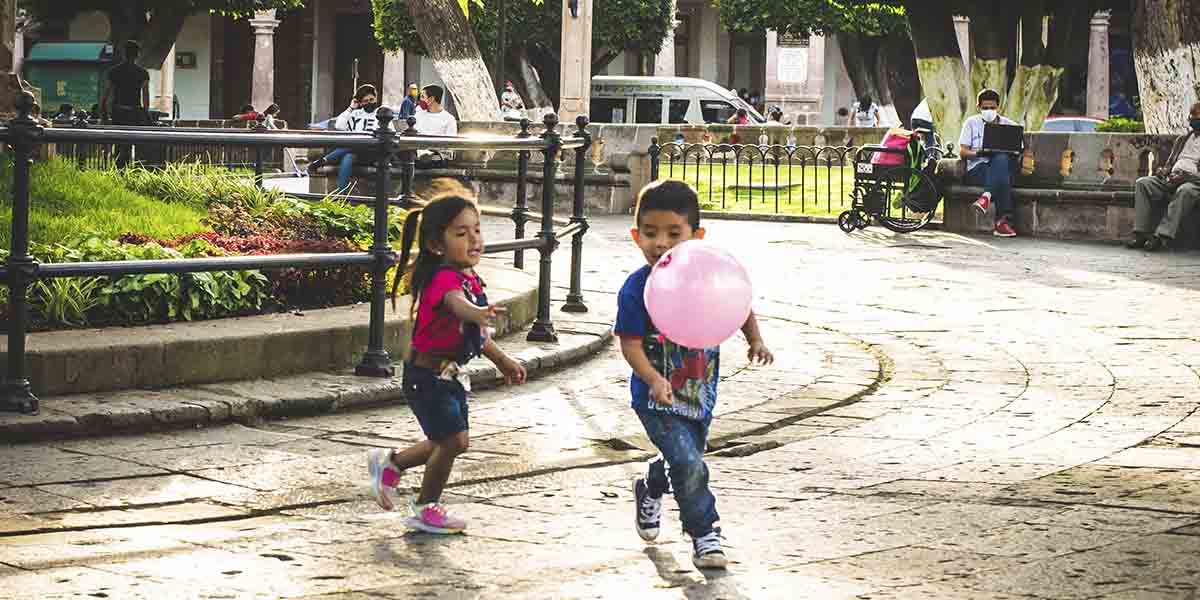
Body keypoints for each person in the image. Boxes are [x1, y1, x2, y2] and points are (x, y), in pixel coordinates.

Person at [616, 179, 774, 570]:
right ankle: (705, 532)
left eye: (674, 233)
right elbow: (630, 344)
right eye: (650, 233)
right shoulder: (637, 289)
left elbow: (738, 304)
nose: (661, 243)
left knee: (682, 460)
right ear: (637, 236)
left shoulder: (708, 273)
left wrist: (755, 339)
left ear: (696, 235)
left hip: (699, 392)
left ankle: (650, 486)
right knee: (689, 463)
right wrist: (653, 378)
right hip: (656, 397)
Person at [365, 188, 527, 533]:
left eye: (477, 230)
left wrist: (504, 361)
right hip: (426, 377)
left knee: (450, 441)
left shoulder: (469, 278)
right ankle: (425, 506)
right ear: (437, 245)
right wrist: (478, 312)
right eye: (461, 233)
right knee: (453, 442)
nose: (474, 239)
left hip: (448, 377)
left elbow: (477, 336)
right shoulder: (444, 278)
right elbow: (457, 305)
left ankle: (392, 464)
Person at [1127, 101, 1200, 252]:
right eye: (1191, 115)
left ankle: (1161, 236)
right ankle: (1140, 233)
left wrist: (1186, 178)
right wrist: (1164, 171)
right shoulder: (1183, 139)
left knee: (1184, 191)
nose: (1192, 119)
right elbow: (1170, 163)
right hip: (1172, 178)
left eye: (1196, 116)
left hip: (1194, 183)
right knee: (1143, 183)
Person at [958, 88, 1020, 238]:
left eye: (992, 108)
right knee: (1002, 175)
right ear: (979, 107)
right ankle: (1003, 222)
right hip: (977, 169)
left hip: (1001, 167)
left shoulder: (1009, 125)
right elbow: (963, 152)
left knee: (1001, 158)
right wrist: (978, 153)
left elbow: (1018, 151)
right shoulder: (971, 123)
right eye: (985, 108)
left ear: (998, 107)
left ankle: (986, 196)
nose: (989, 111)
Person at [307, 83, 388, 191]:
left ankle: (323, 160)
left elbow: (388, 133)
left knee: (353, 145)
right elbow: (339, 125)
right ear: (360, 102)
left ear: (376, 98)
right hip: (353, 151)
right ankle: (341, 195)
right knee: (348, 156)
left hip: (371, 152)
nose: (369, 103)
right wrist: (351, 108)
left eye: (371, 100)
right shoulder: (355, 113)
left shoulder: (381, 114)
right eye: (365, 101)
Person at [99, 40, 150, 167]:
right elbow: (145, 96)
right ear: (137, 54)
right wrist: (145, 112)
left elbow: (105, 94)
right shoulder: (142, 73)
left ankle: (118, 168)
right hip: (134, 112)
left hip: (118, 111)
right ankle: (131, 168)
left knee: (118, 141)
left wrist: (103, 111)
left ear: (124, 53)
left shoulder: (114, 71)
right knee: (131, 142)